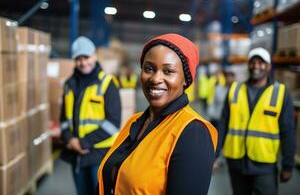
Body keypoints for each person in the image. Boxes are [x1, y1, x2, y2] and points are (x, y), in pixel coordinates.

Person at [97, 33, 218, 195]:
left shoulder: (193, 132)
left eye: (168, 71)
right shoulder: (135, 121)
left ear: (185, 79)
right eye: (149, 69)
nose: (155, 78)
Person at [218, 47, 296, 195]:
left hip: (264, 164)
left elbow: (288, 131)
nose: (256, 66)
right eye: (253, 62)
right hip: (236, 161)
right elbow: (223, 124)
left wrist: (288, 165)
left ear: (269, 66)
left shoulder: (280, 93)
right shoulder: (235, 89)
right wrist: (215, 155)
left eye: (261, 62)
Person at [60, 36, 121, 195]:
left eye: (86, 57)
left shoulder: (107, 83)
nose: (83, 62)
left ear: (94, 56)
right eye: (78, 58)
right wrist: (70, 140)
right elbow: (63, 120)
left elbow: (113, 123)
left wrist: (83, 142)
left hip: (99, 155)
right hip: (77, 155)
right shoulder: (69, 85)